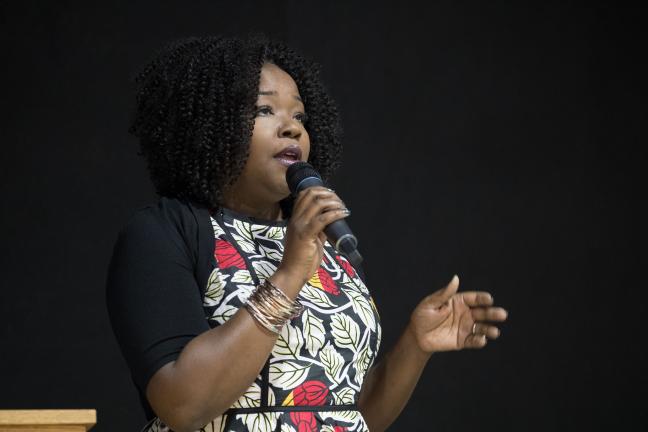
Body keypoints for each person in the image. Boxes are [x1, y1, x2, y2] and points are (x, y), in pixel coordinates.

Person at [106, 35, 508, 432]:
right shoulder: (164, 232)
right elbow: (184, 405)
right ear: (206, 124)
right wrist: (290, 274)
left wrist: (414, 347)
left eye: (299, 116)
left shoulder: (323, 239)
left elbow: (350, 414)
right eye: (264, 109)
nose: (292, 129)